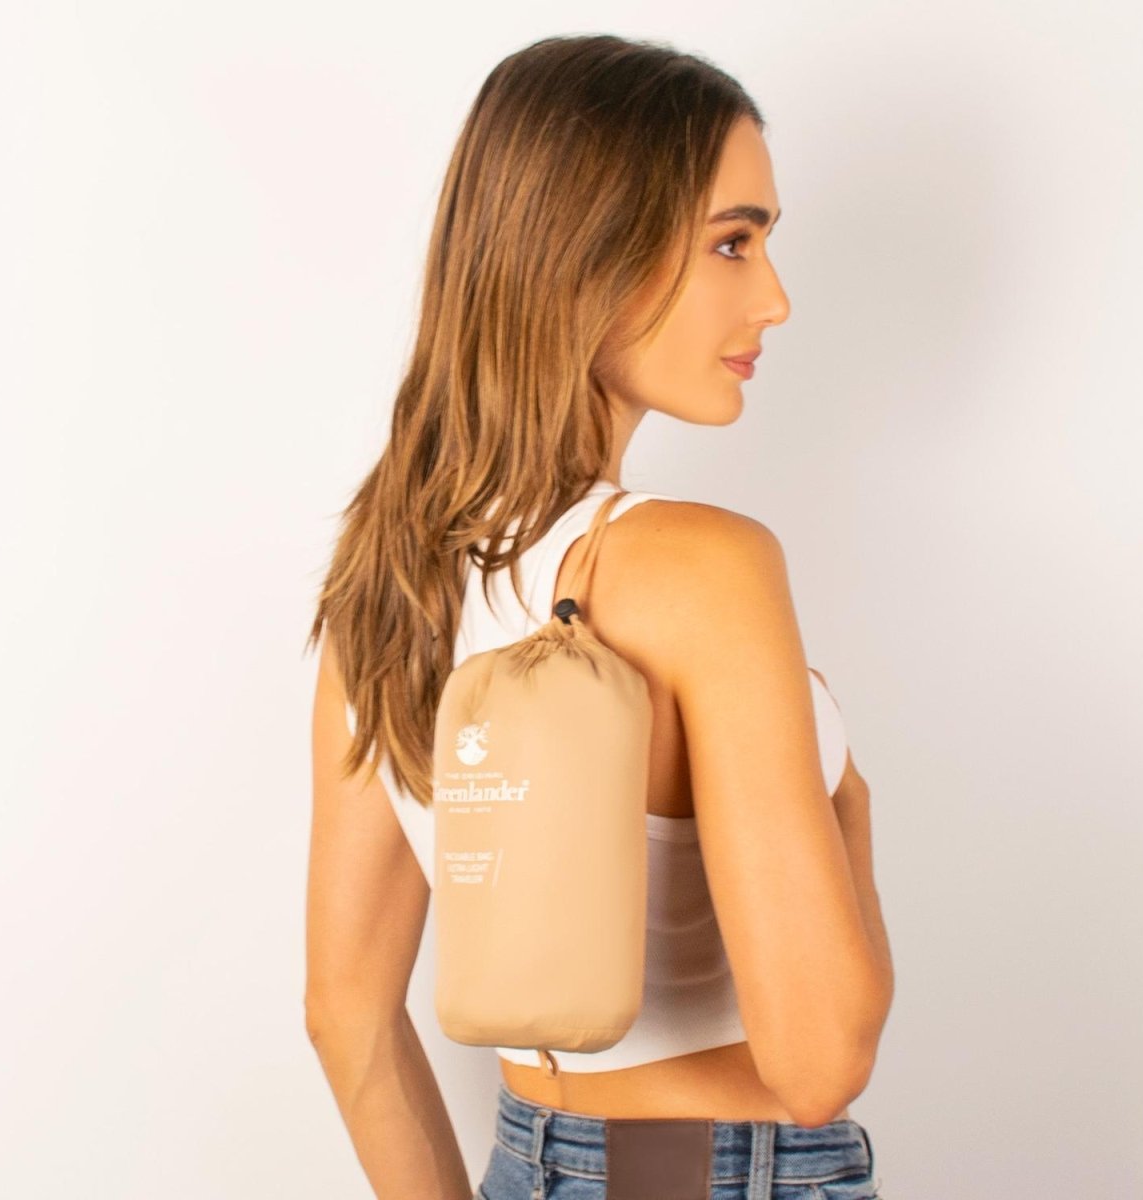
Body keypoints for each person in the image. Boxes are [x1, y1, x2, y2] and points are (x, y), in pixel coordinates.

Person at [303, 33, 894, 1200]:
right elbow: (820, 1061)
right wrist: (851, 807)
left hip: (527, 1166)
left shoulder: (387, 583)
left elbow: (346, 1017)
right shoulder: (706, 567)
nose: (774, 298)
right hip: (724, 1173)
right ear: (590, 255)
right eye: (732, 242)